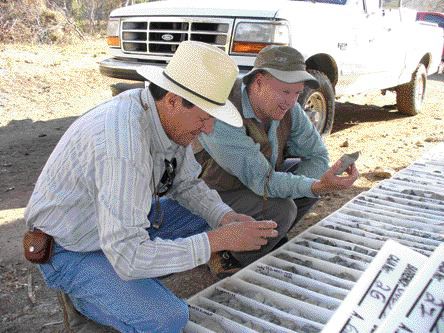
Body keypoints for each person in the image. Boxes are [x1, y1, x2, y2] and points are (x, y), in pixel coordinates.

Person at [24, 41, 278, 333]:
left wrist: (223, 218)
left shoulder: (161, 115)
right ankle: (85, 300)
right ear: (172, 100)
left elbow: (184, 184)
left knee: (208, 215)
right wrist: (216, 241)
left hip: (120, 225)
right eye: (205, 117)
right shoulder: (122, 144)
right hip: (71, 249)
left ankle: (128, 288)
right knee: (167, 318)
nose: (208, 129)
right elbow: (128, 256)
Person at [195, 45, 359, 278]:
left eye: (296, 93)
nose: (292, 102)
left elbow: (318, 155)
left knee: (303, 182)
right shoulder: (223, 111)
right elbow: (265, 182)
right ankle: (225, 256)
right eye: (285, 92)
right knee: (283, 208)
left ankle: (266, 237)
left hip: (257, 182)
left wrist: (311, 183)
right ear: (258, 82)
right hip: (210, 194)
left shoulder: (288, 106)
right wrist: (314, 186)